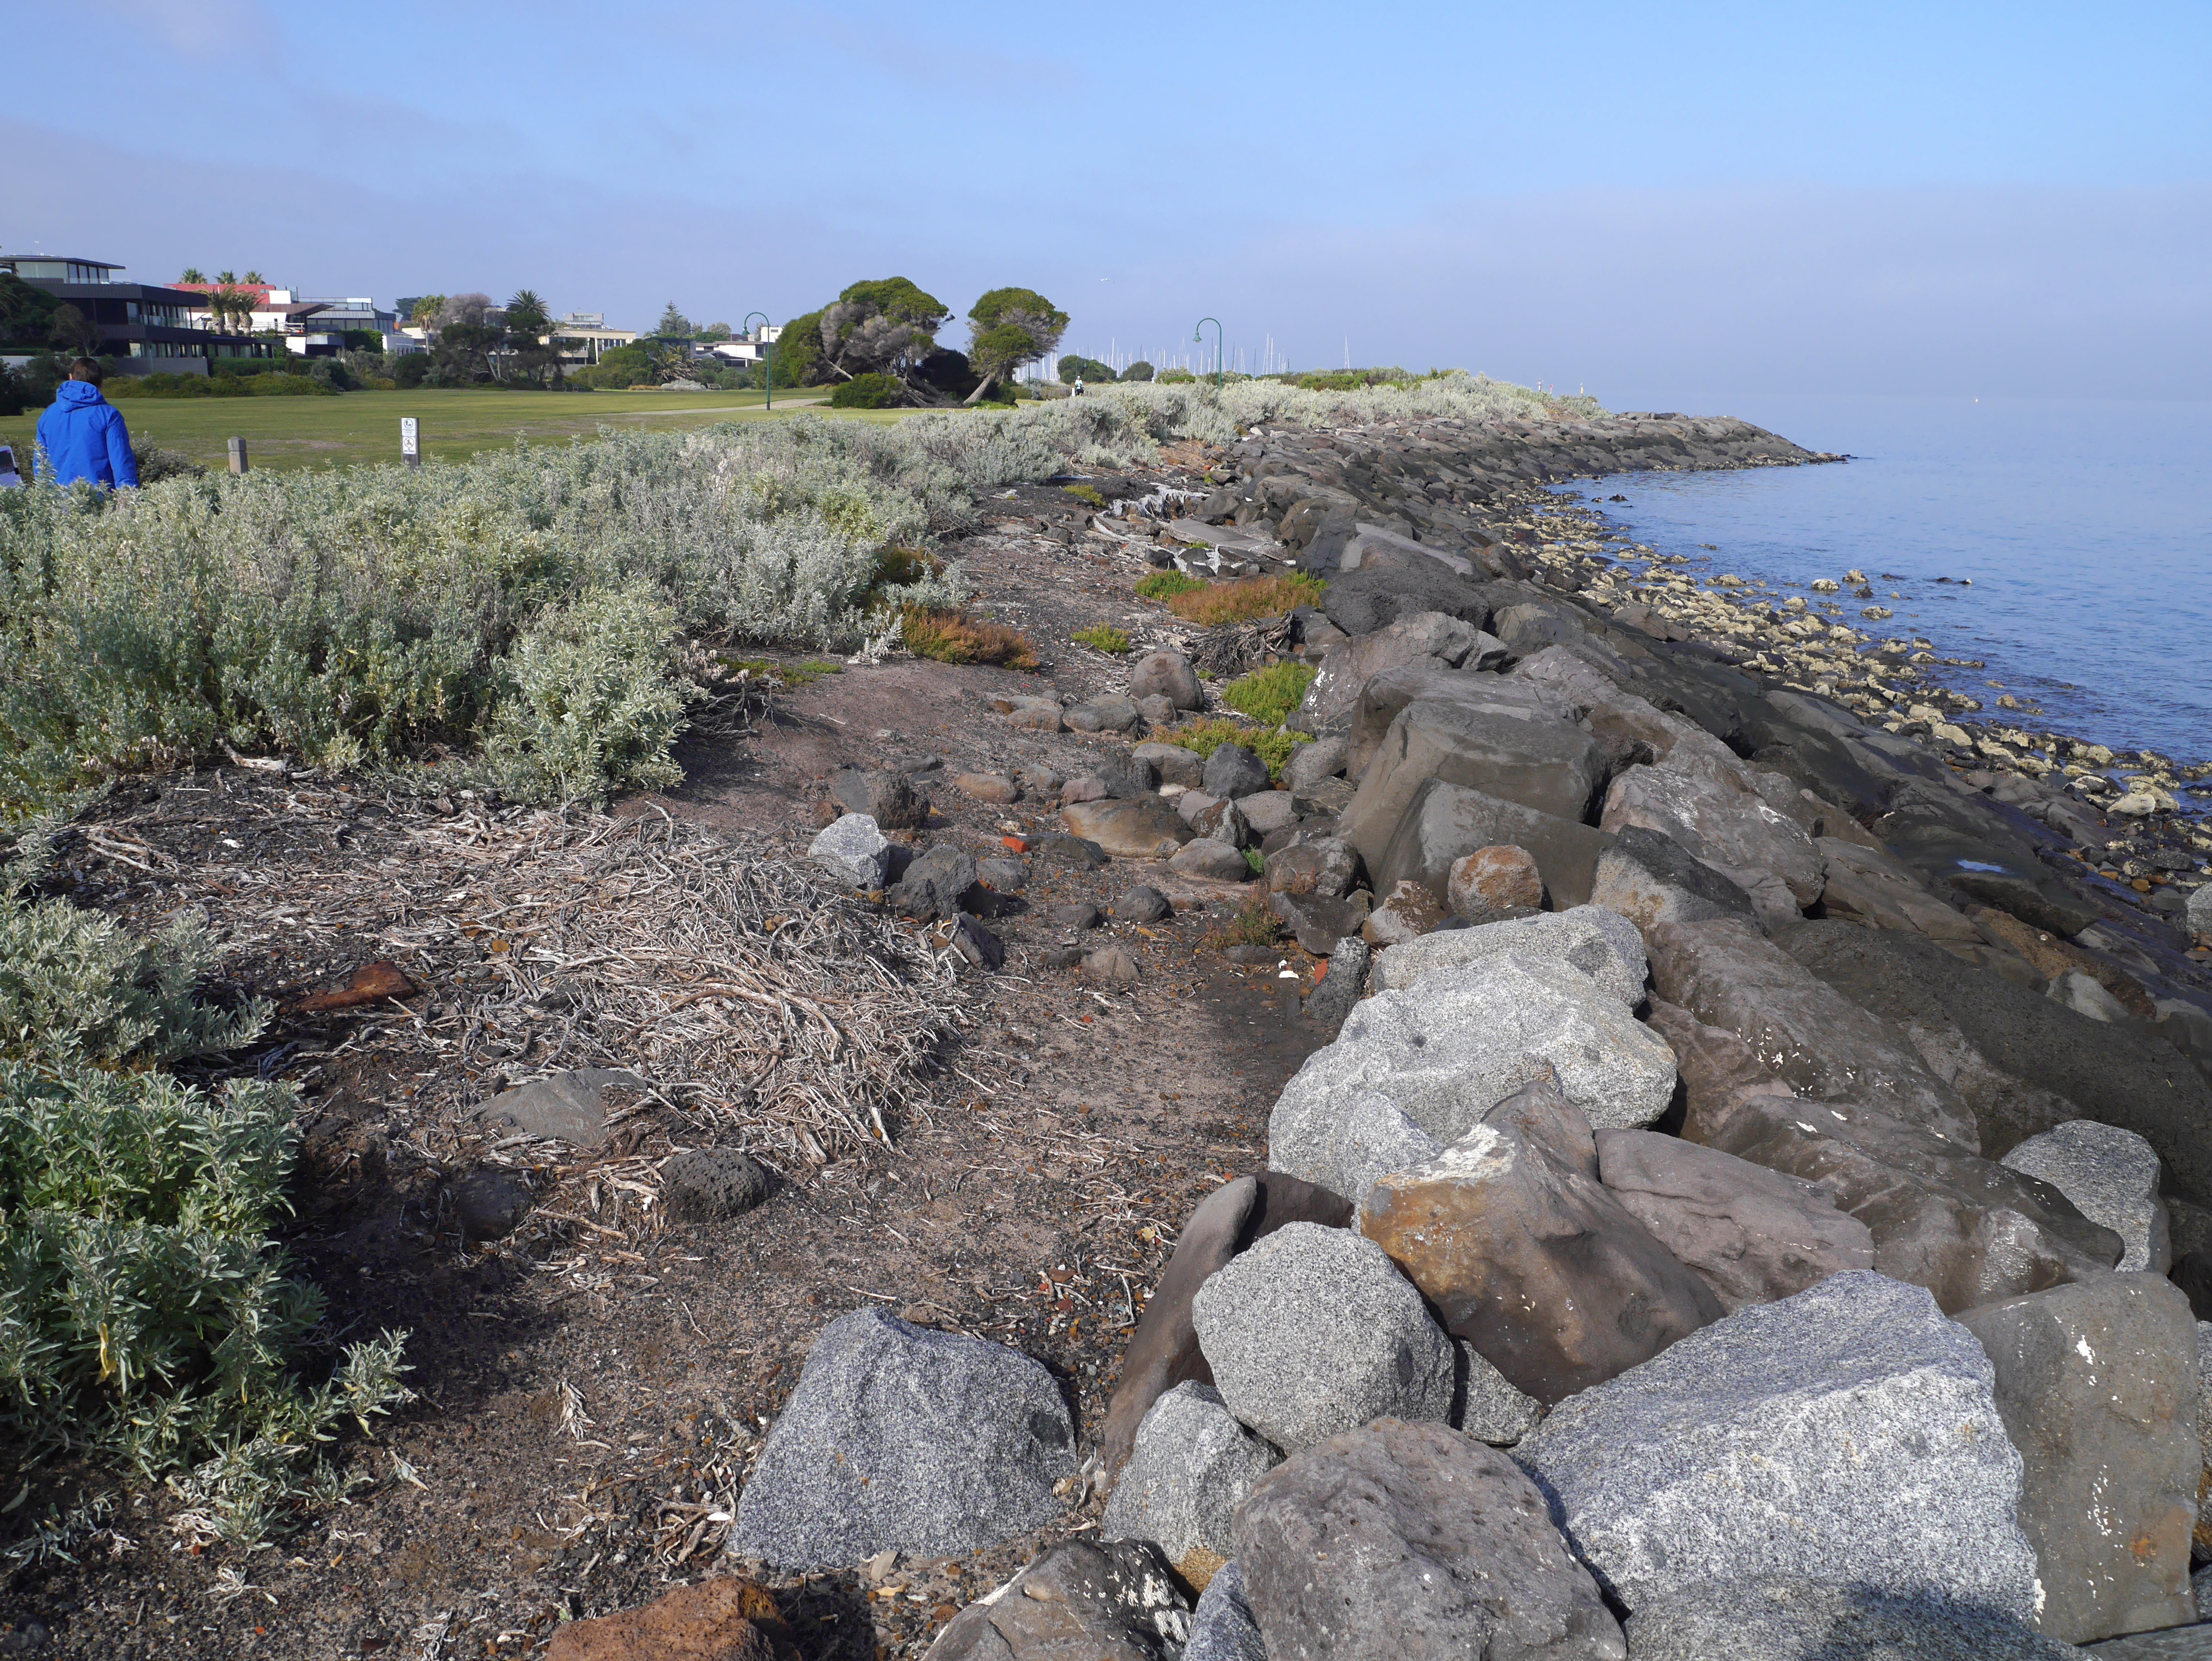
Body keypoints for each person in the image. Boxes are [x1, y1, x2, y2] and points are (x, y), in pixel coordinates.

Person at [35, 358, 139, 488]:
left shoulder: (48, 414)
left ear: (71, 377)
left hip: (57, 500)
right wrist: (129, 499)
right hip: (98, 499)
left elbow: (40, 464)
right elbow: (121, 463)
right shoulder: (109, 415)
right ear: (101, 382)